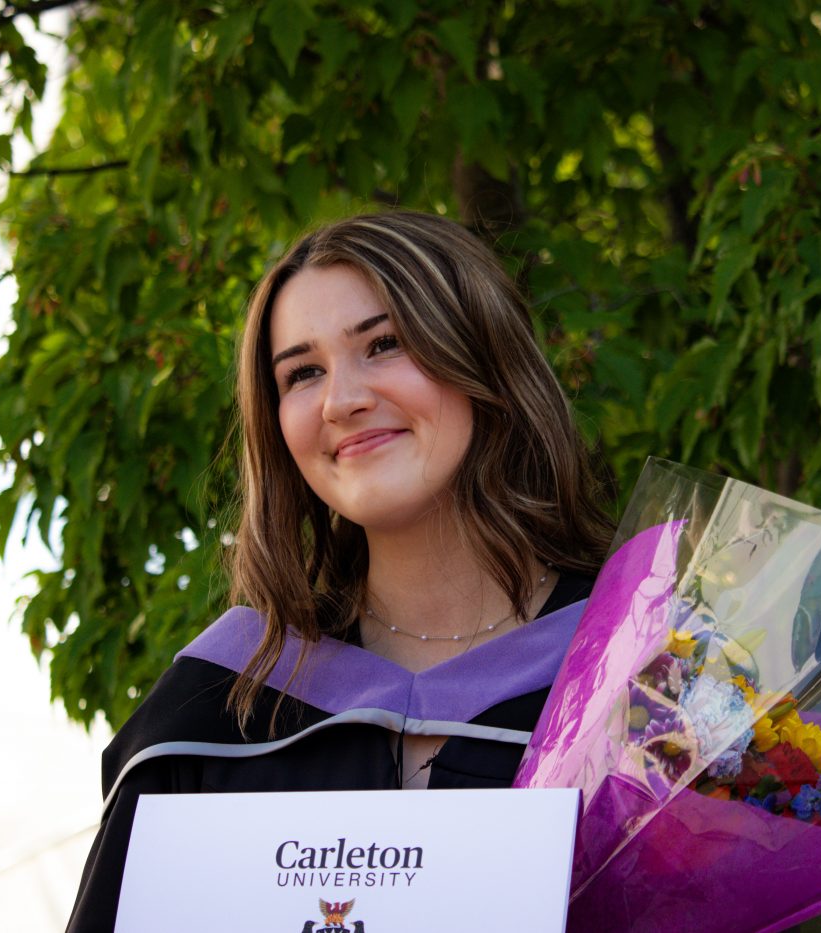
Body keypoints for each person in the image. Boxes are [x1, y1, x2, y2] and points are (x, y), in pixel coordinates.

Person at [65, 211, 613, 930]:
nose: (342, 399)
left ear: (483, 355)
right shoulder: (219, 709)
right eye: (303, 372)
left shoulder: (632, 676)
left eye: (383, 344)